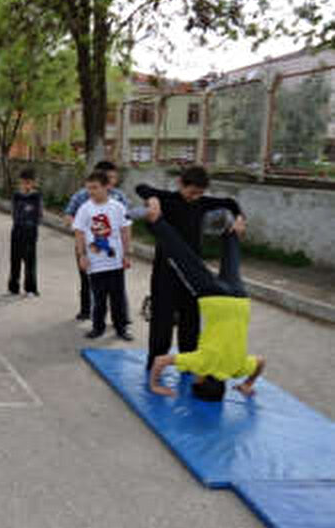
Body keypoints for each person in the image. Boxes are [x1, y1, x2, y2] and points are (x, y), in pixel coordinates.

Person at [143, 202, 264, 400]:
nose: (195, 378)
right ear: (201, 380)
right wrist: (155, 386)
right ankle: (157, 220)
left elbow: (261, 362)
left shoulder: (236, 369)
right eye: (196, 380)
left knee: (231, 261)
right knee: (185, 258)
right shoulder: (202, 364)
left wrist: (247, 383)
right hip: (215, 299)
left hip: (240, 301)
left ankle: (234, 227)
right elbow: (160, 361)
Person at [135, 166, 246, 372]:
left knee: (191, 319)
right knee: (162, 320)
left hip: (192, 273)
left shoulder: (202, 204)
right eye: (192, 192)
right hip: (165, 271)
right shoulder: (168, 199)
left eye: (200, 193)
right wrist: (153, 200)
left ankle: (189, 363)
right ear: (181, 184)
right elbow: (140, 187)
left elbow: (230, 203)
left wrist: (239, 218)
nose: (195, 197)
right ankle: (155, 364)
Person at [65, 161, 130, 321]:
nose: (111, 181)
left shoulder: (119, 198)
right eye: (108, 177)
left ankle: (122, 318)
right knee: (87, 280)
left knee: (117, 286)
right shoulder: (82, 196)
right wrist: (82, 230)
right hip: (88, 248)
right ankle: (88, 311)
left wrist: (126, 250)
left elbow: (126, 223)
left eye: (113, 177)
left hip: (112, 249)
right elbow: (69, 216)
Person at [8, 168, 42, 297]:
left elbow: (37, 214)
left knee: (30, 261)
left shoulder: (36, 196)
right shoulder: (16, 195)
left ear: (33, 183)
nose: (25, 185)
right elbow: (16, 212)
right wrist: (26, 210)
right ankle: (13, 287)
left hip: (31, 231)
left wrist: (28, 211)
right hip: (17, 230)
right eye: (23, 182)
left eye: (28, 183)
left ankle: (30, 288)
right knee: (15, 259)